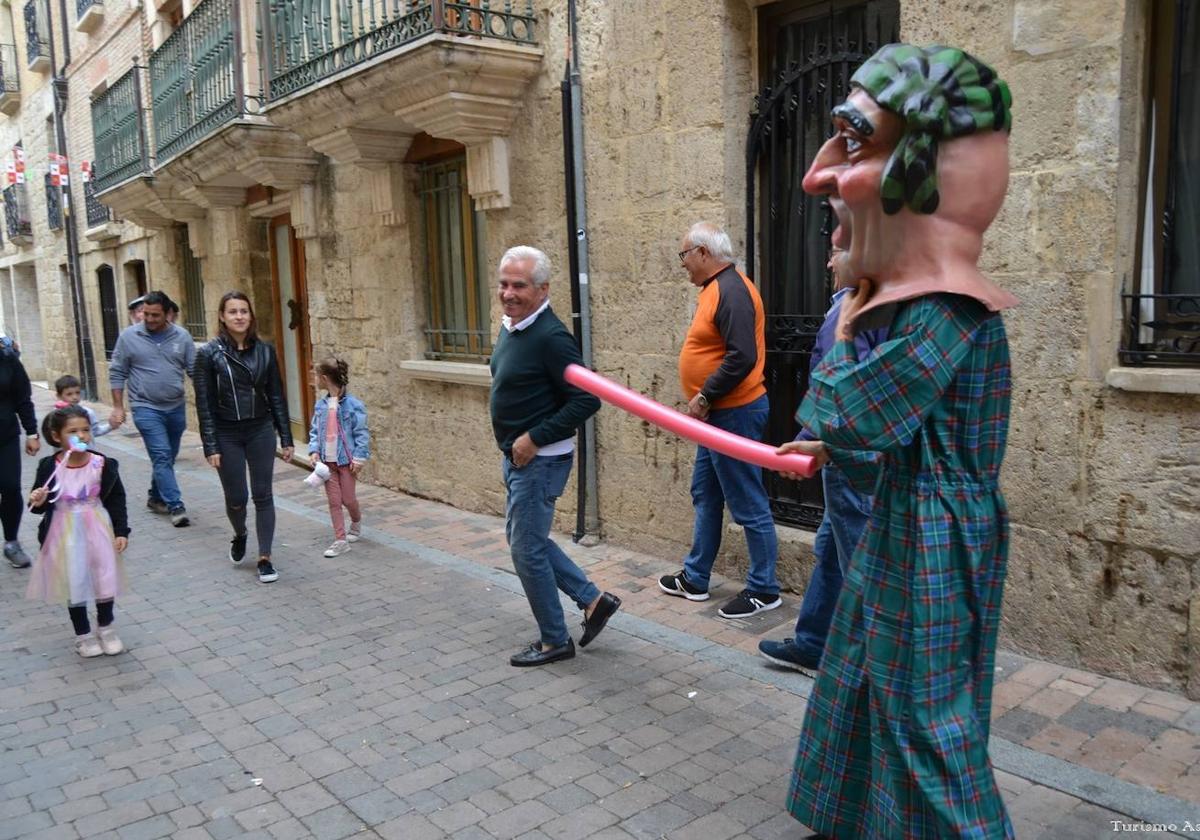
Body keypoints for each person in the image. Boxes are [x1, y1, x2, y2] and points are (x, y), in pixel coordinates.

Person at [783, 44, 1019, 839]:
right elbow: (874, 429)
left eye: (852, 142)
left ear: (926, 176)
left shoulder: (943, 309)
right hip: (908, 515)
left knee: (926, 717)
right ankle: (852, 820)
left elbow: (860, 414)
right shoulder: (917, 308)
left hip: (936, 535)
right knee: (856, 675)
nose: (818, 177)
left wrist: (853, 308)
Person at [489, 246, 620, 667]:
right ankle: (592, 600)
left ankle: (554, 640)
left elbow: (586, 401)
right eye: (504, 284)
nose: (508, 293)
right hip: (519, 458)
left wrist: (533, 438)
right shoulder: (513, 325)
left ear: (543, 289)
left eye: (519, 285)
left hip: (540, 461)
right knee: (527, 541)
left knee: (525, 549)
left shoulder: (551, 337)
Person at [758, 258, 885, 674]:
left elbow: (843, 388)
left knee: (860, 568)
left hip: (850, 459)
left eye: (840, 248)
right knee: (831, 550)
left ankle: (873, 670)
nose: (828, 260)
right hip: (847, 453)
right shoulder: (861, 304)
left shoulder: (858, 308)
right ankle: (813, 643)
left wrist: (816, 444)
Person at [658, 221, 781, 619]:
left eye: (684, 255)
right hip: (717, 417)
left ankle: (764, 589)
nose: (682, 264)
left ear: (703, 253)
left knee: (748, 502)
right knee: (706, 494)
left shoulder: (732, 291)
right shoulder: (716, 289)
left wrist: (705, 395)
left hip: (735, 413)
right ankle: (696, 578)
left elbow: (741, 356)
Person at [194, 291, 293, 584]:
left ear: (251, 316)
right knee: (237, 497)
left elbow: (276, 395)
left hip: (260, 429)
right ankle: (240, 533)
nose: (239, 316)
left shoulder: (265, 351)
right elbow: (204, 404)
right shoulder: (208, 355)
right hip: (227, 432)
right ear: (222, 317)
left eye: (244, 311)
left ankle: (265, 558)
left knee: (263, 494)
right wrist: (210, 444)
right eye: (233, 311)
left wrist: (286, 437)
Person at [25, 405, 130, 657]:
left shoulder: (101, 464)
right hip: (65, 531)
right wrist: (38, 499)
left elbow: (116, 499)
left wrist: (121, 531)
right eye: (73, 431)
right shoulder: (50, 466)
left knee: (104, 577)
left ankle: (106, 628)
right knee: (75, 581)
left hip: (98, 525)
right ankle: (83, 635)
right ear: (56, 435)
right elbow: (39, 504)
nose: (81, 436)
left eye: (85, 430)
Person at [107, 290, 196, 527]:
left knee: (168, 457)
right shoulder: (129, 337)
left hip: (176, 407)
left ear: (168, 314)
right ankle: (176, 505)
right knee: (161, 454)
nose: (148, 319)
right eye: (145, 314)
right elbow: (117, 371)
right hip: (145, 406)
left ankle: (156, 497)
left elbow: (194, 371)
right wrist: (118, 407)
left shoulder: (182, 337)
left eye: (155, 315)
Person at [307, 356, 369, 558]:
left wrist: (359, 457)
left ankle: (356, 521)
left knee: (348, 499)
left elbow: (361, 433)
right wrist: (314, 450)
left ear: (324, 378)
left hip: (347, 462)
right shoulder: (320, 406)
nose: (314, 378)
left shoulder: (353, 405)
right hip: (327, 463)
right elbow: (316, 430)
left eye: (316, 375)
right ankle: (340, 540)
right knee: (334, 502)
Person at [0, 335, 39, 568]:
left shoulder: (7, 359)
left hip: (5, 435)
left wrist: (32, 433)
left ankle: (11, 542)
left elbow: (23, 398)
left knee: (11, 486)